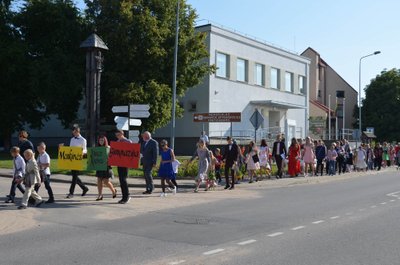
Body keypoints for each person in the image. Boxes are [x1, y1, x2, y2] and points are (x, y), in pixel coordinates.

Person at [65, 126, 89, 199]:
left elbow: (85, 150)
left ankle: (71, 193)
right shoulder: (72, 139)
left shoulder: (83, 140)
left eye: (75, 132)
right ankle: (84, 188)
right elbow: (70, 149)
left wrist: (82, 152)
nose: (73, 133)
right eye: (73, 132)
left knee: (74, 177)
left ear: (78, 131)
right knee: (74, 176)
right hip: (72, 159)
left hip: (78, 159)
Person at [95, 135, 117, 201]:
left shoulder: (108, 148)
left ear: (105, 141)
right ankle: (100, 195)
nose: (101, 141)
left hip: (107, 167)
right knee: (99, 181)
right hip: (99, 167)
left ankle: (113, 191)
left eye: (102, 140)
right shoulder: (97, 148)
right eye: (100, 140)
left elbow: (112, 157)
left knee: (106, 181)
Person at [115, 130, 133, 204]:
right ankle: (123, 197)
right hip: (119, 164)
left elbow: (132, 152)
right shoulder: (117, 142)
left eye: (118, 135)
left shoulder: (128, 141)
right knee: (121, 180)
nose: (117, 136)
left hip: (125, 164)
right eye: (116, 135)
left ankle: (127, 196)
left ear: (122, 134)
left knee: (123, 180)